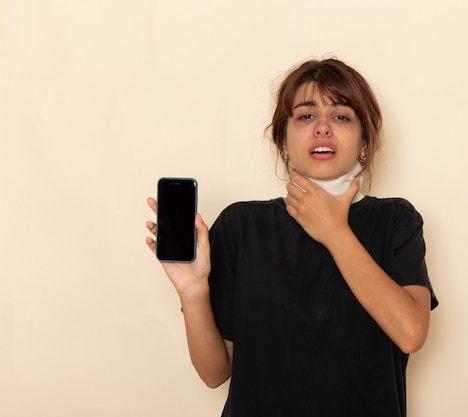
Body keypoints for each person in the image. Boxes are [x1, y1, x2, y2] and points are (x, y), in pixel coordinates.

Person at [145, 58, 438, 417]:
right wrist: (193, 292)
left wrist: (334, 231)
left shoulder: (395, 219)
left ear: (365, 140)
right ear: (283, 140)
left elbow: (411, 332)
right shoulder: (241, 225)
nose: (323, 128)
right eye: (305, 116)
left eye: (342, 116)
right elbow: (214, 373)